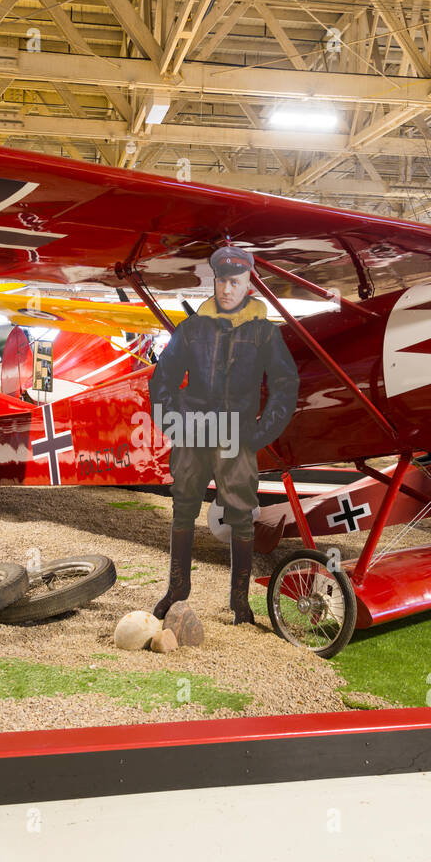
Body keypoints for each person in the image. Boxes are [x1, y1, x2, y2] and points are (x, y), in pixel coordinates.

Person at [148, 246, 299, 625]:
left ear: (248, 284)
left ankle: (240, 603)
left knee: (242, 517)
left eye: (235, 281)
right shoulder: (192, 329)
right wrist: (172, 425)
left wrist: (261, 433)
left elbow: (285, 383)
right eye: (221, 280)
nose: (226, 289)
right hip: (194, 432)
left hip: (236, 435)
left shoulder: (264, 333)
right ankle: (177, 589)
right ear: (214, 281)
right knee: (183, 507)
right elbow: (162, 379)